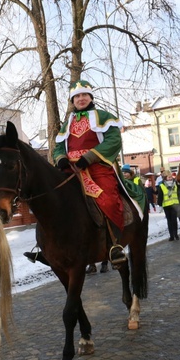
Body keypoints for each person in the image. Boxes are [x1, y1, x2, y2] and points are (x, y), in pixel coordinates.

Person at [52, 80, 127, 265]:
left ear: (91, 97)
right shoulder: (67, 124)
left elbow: (114, 140)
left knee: (108, 200)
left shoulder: (104, 116)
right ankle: (48, 246)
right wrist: (60, 158)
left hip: (97, 167)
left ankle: (114, 244)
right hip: (71, 169)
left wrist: (90, 157)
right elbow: (59, 146)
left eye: (84, 95)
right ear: (72, 101)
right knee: (51, 197)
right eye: (77, 96)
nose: (81, 98)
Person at [157, 171, 180, 241]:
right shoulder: (162, 186)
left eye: (171, 177)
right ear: (165, 178)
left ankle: (176, 234)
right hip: (166, 206)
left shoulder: (175, 184)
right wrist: (160, 205)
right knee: (169, 221)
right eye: (168, 177)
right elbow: (160, 196)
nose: (170, 178)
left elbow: (178, 193)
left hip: (174, 204)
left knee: (174, 220)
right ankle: (171, 235)